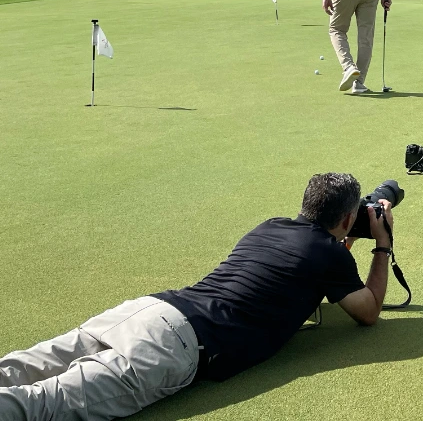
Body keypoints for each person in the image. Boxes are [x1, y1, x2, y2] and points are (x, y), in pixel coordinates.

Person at [0, 173, 396, 420]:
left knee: (21, 366)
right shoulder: (327, 256)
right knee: (38, 406)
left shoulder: (271, 226)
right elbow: (368, 311)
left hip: (145, 311)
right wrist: (381, 244)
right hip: (171, 347)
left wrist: (344, 238)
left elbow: (303, 268)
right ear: (346, 220)